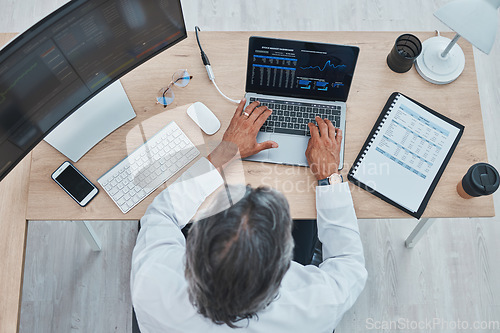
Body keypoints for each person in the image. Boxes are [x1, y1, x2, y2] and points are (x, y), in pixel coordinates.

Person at [131, 99, 367, 333]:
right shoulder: (317, 307)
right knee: (306, 224)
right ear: (284, 267)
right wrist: (329, 175)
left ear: (193, 244)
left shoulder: (151, 281)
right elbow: (348, 262)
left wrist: (225, 152)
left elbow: (161, 212)